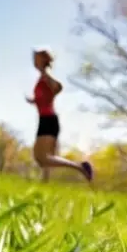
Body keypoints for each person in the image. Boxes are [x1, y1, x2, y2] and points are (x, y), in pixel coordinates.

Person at [27, 48, 94, 183]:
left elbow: (58, 87)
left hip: (48, 119)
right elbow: (46, 97)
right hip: (46, 119)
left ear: (43, 60)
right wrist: (34, 100)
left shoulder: (45, 76)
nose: (33, 61)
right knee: (44, 158)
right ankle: (44, 183)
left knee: (42, 157)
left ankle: (80, 167)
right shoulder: (41, 78)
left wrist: (46, 75)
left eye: (36, 58)